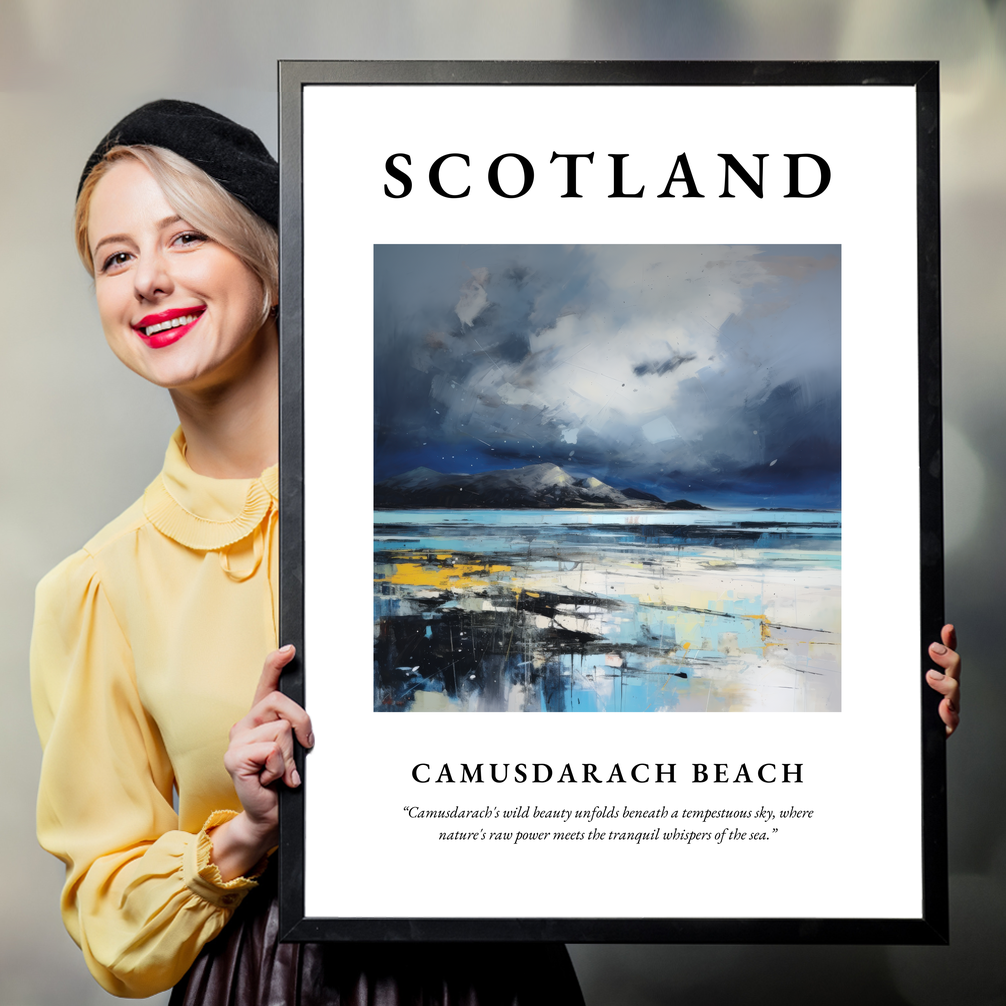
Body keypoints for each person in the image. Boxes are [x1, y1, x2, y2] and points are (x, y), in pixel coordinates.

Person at [30, 100, 585, 1004]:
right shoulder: (97, 587)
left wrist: (885, 706)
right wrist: (245, 832)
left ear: (274, 264)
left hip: (492, 973)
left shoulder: (442, 508)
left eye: (186, 239)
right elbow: (110, 924)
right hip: (263, 982)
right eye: (116, 257)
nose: (148, 281)